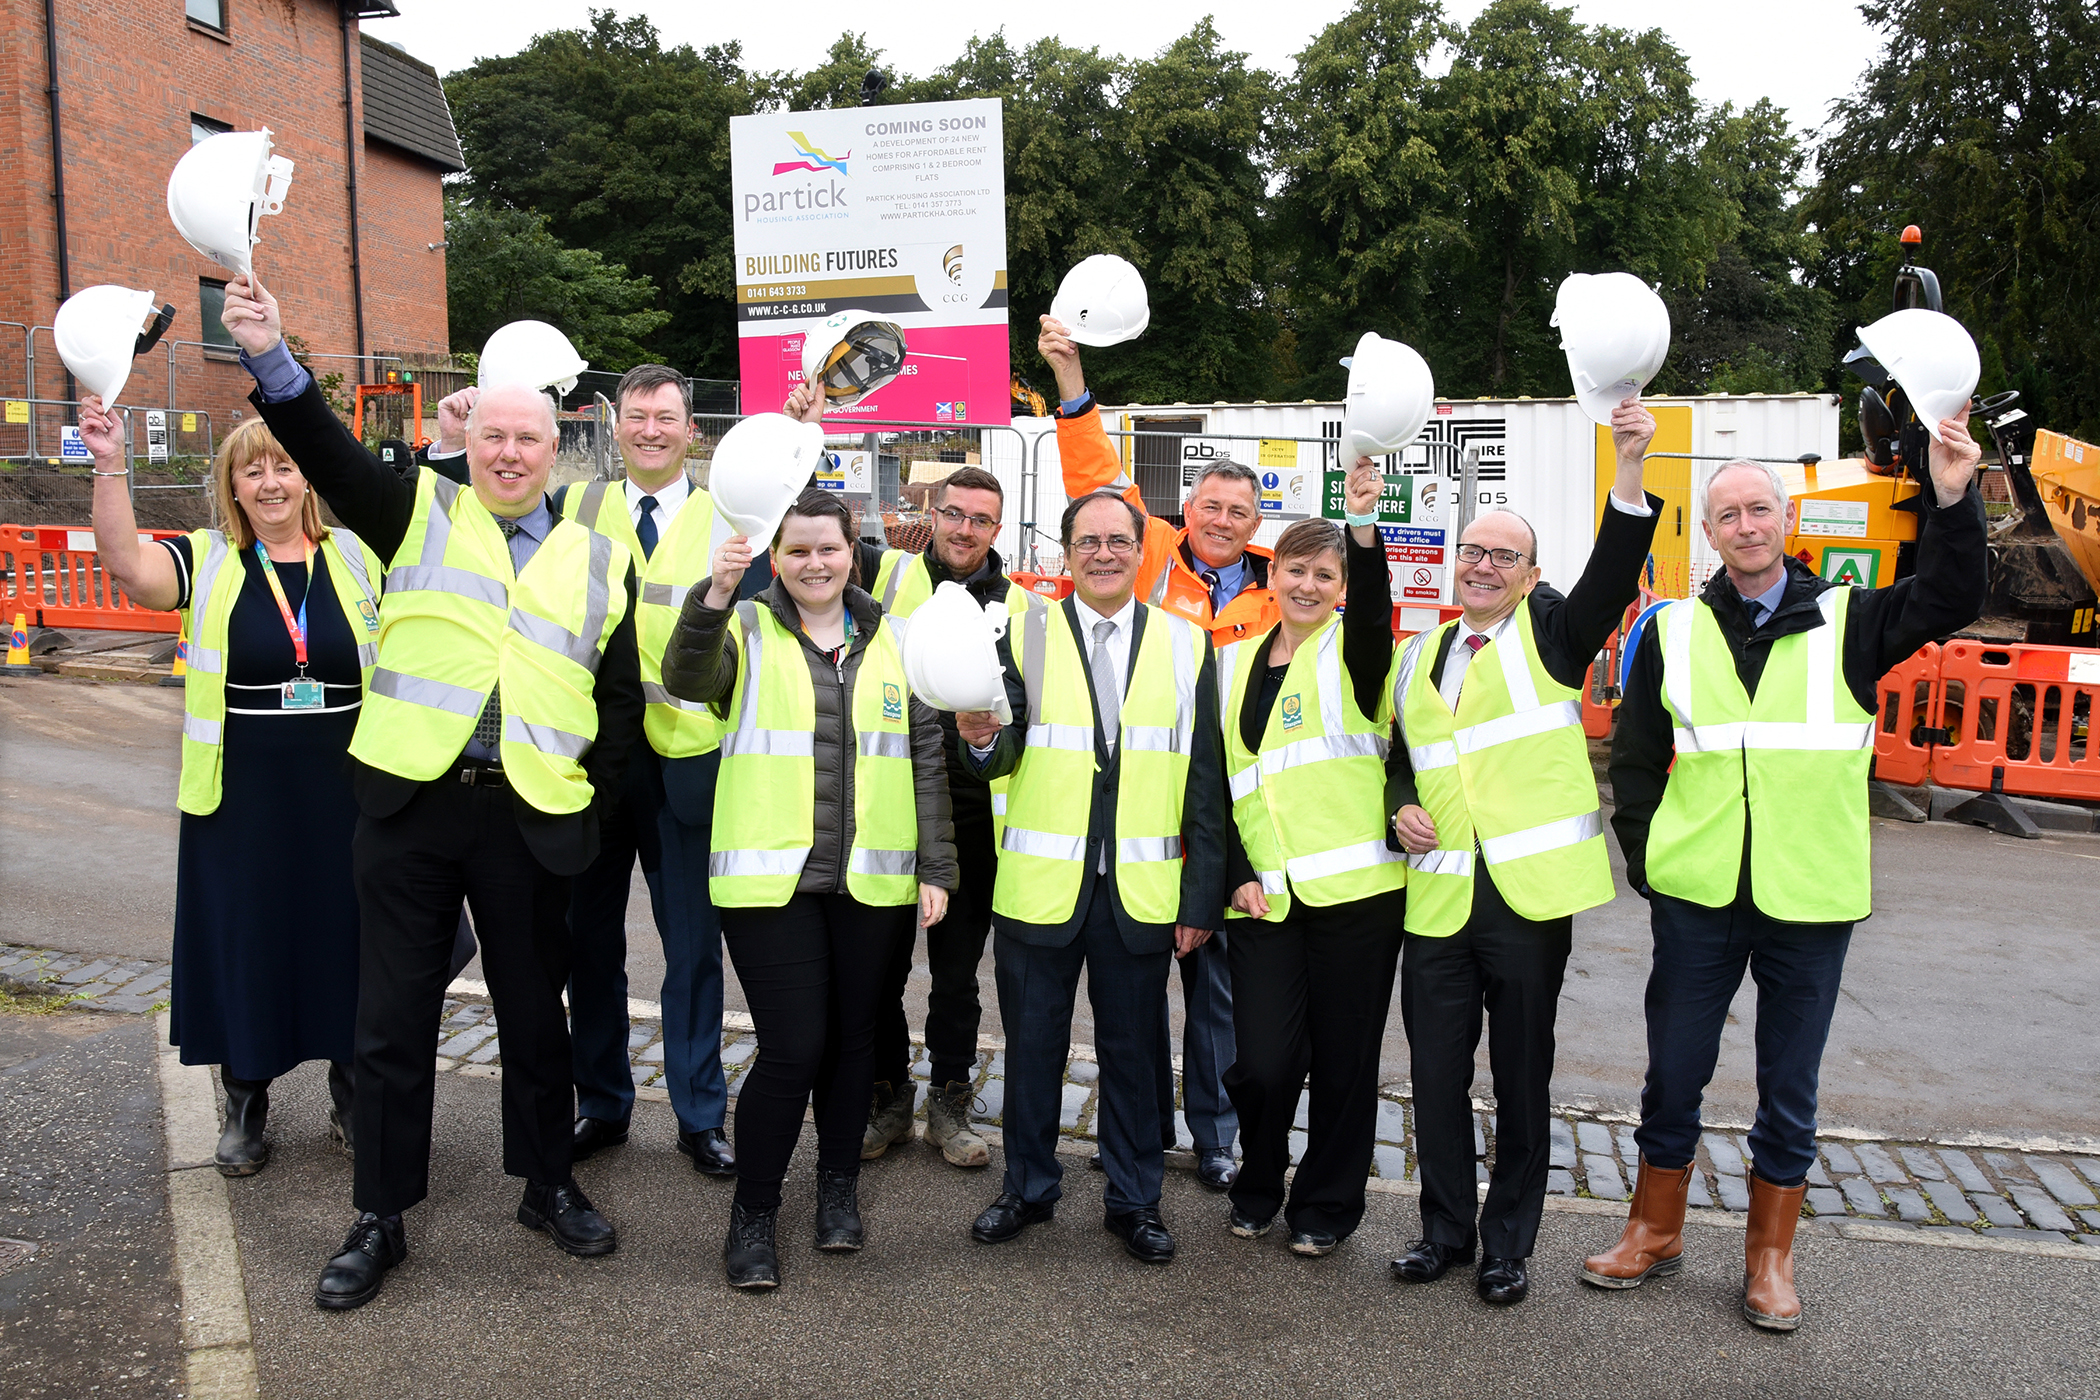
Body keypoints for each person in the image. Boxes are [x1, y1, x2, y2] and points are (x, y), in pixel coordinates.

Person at [218, 273, 645, 1312]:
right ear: (473, 440)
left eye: (528, 440)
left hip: (531, 816)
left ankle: (547, 1184)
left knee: (536, 1022)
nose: (509, 453)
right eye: (493, 436)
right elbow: (325, 451)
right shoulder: (413, 506)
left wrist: (594, 808)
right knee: (393, 1021)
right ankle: (380, 1214)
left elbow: (622, 703)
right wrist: (272, 357)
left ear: (558, 448)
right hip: (411, 806)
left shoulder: (599, 554)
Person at [1584, 417, 1985, 1331]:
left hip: (1809, 895)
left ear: (1786, 518)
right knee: (1673, 1071)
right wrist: (1648, 856)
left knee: (1788, 1084)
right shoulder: (1671, 631)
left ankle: (1770, 1259)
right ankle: (1654, 1228)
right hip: (1698, 896)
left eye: (1760, 508)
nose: (1746, 524)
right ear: (1713, 533)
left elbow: (1955, 591)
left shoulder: (1853, 617)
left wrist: (1954, 497)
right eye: (1728, 514)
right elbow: (1636, 760)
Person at [1385, 398, 1660, 1307]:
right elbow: (1402, 762)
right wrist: (1399, 811)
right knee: (1433, 1079)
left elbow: (1614, 574)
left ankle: (1508, 1246)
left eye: (1506, 555)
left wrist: (1627, 468)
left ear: (1532, 573)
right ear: (1454, 562)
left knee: (1521, 1081)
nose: (1485, 565)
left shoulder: (1551, 636)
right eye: (1474, 550)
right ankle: (1443, 1234)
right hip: (1434, 900)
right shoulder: (1418, 654)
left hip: (1527, 903)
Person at [661, 489, 957, 1290]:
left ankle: (837, 1191)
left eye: (827, 548)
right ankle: (754, 1212)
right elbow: (687, 677)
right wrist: (714, 594)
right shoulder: (747, 628)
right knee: (794, 1048)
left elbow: (926, 760)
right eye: (796, 551)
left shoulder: (898, 639)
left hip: (874, 880)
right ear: (775, 558)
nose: (814, 564)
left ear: (853, 551)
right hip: (771, 880)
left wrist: (939, 867)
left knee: (855, 1042)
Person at [85, 400, 378, 1177]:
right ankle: (246, 1101)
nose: (272, 482)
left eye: (284, 465)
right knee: (249, 943)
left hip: (347, 792)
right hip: (241, 798)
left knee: (350, 944)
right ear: (233, 487)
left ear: (306, 479)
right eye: (254, 470)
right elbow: (126, 566)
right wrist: (110, 462)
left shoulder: (356, 557)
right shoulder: (208, 556)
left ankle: (354, 1097)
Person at [958, 489, 1228, 1265]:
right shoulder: (1026, 632)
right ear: (1064, 552)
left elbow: (1205, 782)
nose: (1103, 553)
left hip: (1140, 894)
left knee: (1134, 1057)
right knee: (1032, 1048)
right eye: (1088, 541)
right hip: (1042, 890)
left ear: (1142, 548)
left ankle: (1135, 1201)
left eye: (1117, 539)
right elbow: (999, 747)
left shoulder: (1186, 644)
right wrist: (980, 740)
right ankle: (1027, 1188)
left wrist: (1201, 893)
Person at [1040, 316, 1245, 1190]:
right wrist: (1071, 377)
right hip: (1140, 819)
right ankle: (1144, 1130)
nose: (1224, 522)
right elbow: (1095, 478)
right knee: (1134, 1004)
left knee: (1218, 999)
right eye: (1210, 508)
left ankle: (1219, 1136)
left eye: (1240, 511)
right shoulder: (1151, 552)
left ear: (1257, 516)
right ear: (1185, 512)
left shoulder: (1284, 585)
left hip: (1227, 816)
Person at [527, 364, 735, 1179]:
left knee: (693, 948)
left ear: (693, 431)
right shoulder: (573, 506)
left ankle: (699, 1115)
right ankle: (603, 1103)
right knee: (588, 943)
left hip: (686, 760)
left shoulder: (731, 516)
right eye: (638, 417)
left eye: (667, 418)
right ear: (615, 430)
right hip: (595, 758)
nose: (651, 430)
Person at [1217, 467, 1405, 1257]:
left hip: (1356, 899)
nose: (1307, 582)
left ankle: (1325, 1206)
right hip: (1263, 900)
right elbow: (1213, 785)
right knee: (1259, 1064)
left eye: (1324, 574)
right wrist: (1233, 871)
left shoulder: (1358, 655)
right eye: (1295, 567)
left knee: (1341, 1067)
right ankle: (1257, 1178)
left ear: (1340, 589)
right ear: (1272, 573)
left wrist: (1358, 525)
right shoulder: (1229, 665)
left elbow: (1371, 612)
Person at [854, 396, 1028, 1173]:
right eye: (953, 513)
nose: (963, 530)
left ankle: (950, 1097)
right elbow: (794, 537)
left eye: (980, 521)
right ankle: (887, 1091)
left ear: (999, 530)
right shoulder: (885, 576)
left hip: (973, 814)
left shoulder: (1023, 608)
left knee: (956, 974)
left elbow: (1027, 716)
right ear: (931, 509)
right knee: (882, 964)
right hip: (889, 803)